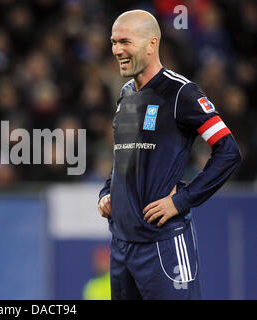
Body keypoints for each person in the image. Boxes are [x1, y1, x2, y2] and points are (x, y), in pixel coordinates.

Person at [97, 10, 241, 300]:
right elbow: (123, 156)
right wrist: (107, 192)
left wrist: (182, 200)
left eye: (125, 42)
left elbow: (228, 151)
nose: (117, 50)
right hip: (122, 247)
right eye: (113, 42)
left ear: (151, 44)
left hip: (163, 247)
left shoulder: (181, 93)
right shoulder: (125, 94)